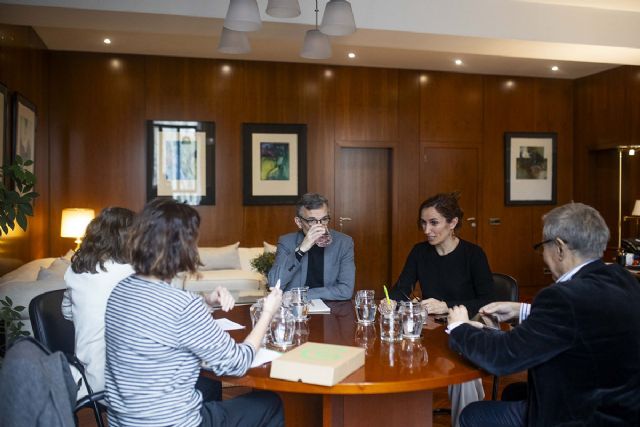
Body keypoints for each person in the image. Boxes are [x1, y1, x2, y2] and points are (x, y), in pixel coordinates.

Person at [448, 202, 640, 426]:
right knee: (514, 392)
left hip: (581, 415)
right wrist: (522, 310)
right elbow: (581, 324)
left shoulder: (563, 297)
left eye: (542, 247)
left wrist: (459, 327)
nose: (542, 255)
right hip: (622, 407)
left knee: (473, 415)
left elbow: (502, 359)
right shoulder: (622, 278)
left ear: (559, 248)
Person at [104, 198, 284, 427]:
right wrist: (267, 313)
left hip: (125, 421)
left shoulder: (120, 290)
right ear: (183, 249)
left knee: (207, 386)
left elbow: (161, 324)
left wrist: (205, 302)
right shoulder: (183, 305)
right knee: (269, 403)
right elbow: (237, 363)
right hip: (170, 423)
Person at [388, 192, 494, 427]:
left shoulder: (473, 255)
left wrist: (448, 306)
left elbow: (488, 299)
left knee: (459, 368)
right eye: (423, 223)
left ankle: (467, 420)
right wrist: (391, 301)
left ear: (453, 223)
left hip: (467, 326)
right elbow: (401, 289)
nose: (427, 230)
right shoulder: (419, 252)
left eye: (434, 223)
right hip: (431, 330)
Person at [61, 207, 136, 399]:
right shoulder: (132, 273)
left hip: (90, 378)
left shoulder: (74, 270)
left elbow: (67, 313)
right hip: (126, 385)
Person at [268, 192, 355, 301]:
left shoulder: (344, 243)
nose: (320, 225)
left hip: (331, 310)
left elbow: (346, 290)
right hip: (295, 311)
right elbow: (274, 285)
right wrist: (300, 250)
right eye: (312, 221)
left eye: (324, 219)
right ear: (299, 222)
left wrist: (303, 295)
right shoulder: (286, 242)